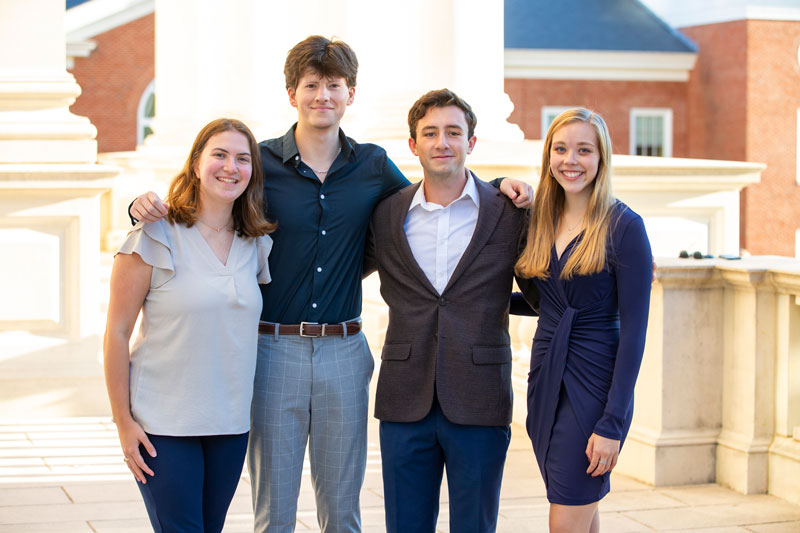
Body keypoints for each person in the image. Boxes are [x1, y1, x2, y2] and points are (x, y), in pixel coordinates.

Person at [129, 36, 532, 533]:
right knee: (274, 511)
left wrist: (496, 188)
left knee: (342, 511)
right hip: (273, 349)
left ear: (351, 94)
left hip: (345, 350)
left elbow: (433, 188)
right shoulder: (260, 164)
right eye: (312, 85)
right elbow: (207, 195)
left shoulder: (371, 165)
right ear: (292, 93)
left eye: (334, 85)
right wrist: (141, 206)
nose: (323, 95)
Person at [363, 89, 529, 533]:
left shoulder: (508, 211)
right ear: (413, 145)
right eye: (430, 133)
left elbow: (540, 288)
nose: (442, 142)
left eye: (454, 132)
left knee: (475, 525)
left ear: (471, 143)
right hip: (404, 399)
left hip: (479, 397)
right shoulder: (385, 214)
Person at [104, 118, 275, 532]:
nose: (230, 167)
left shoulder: (256, 244)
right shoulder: (154, 236)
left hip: (230, 424)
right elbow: (116, 333)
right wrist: (123, 423)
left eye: (242, 158)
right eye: (219, 154)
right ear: (197, 162)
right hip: (162, 426)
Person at [514, 108, 652, 533]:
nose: (570, 160)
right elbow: (547, 302)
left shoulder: (625, 227)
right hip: (545, 380)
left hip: (592, 385)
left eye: (584, 150)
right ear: (548, 157)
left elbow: (634, 333)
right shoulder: (539, 221)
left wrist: (613, 424)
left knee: (566, 515)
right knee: (578, 507)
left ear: (601, 158)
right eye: (560, 149)